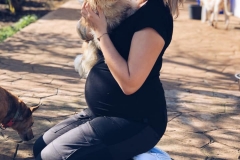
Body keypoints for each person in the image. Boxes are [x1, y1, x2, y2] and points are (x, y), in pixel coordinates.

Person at [33, 0, 183, 159]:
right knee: (40, 148)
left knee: (49, 157)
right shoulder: (130, 5)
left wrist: (101, 32)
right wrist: (90, 21)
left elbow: (130, 83)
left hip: (135, 121)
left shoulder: (154, 16)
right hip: (101, 112)